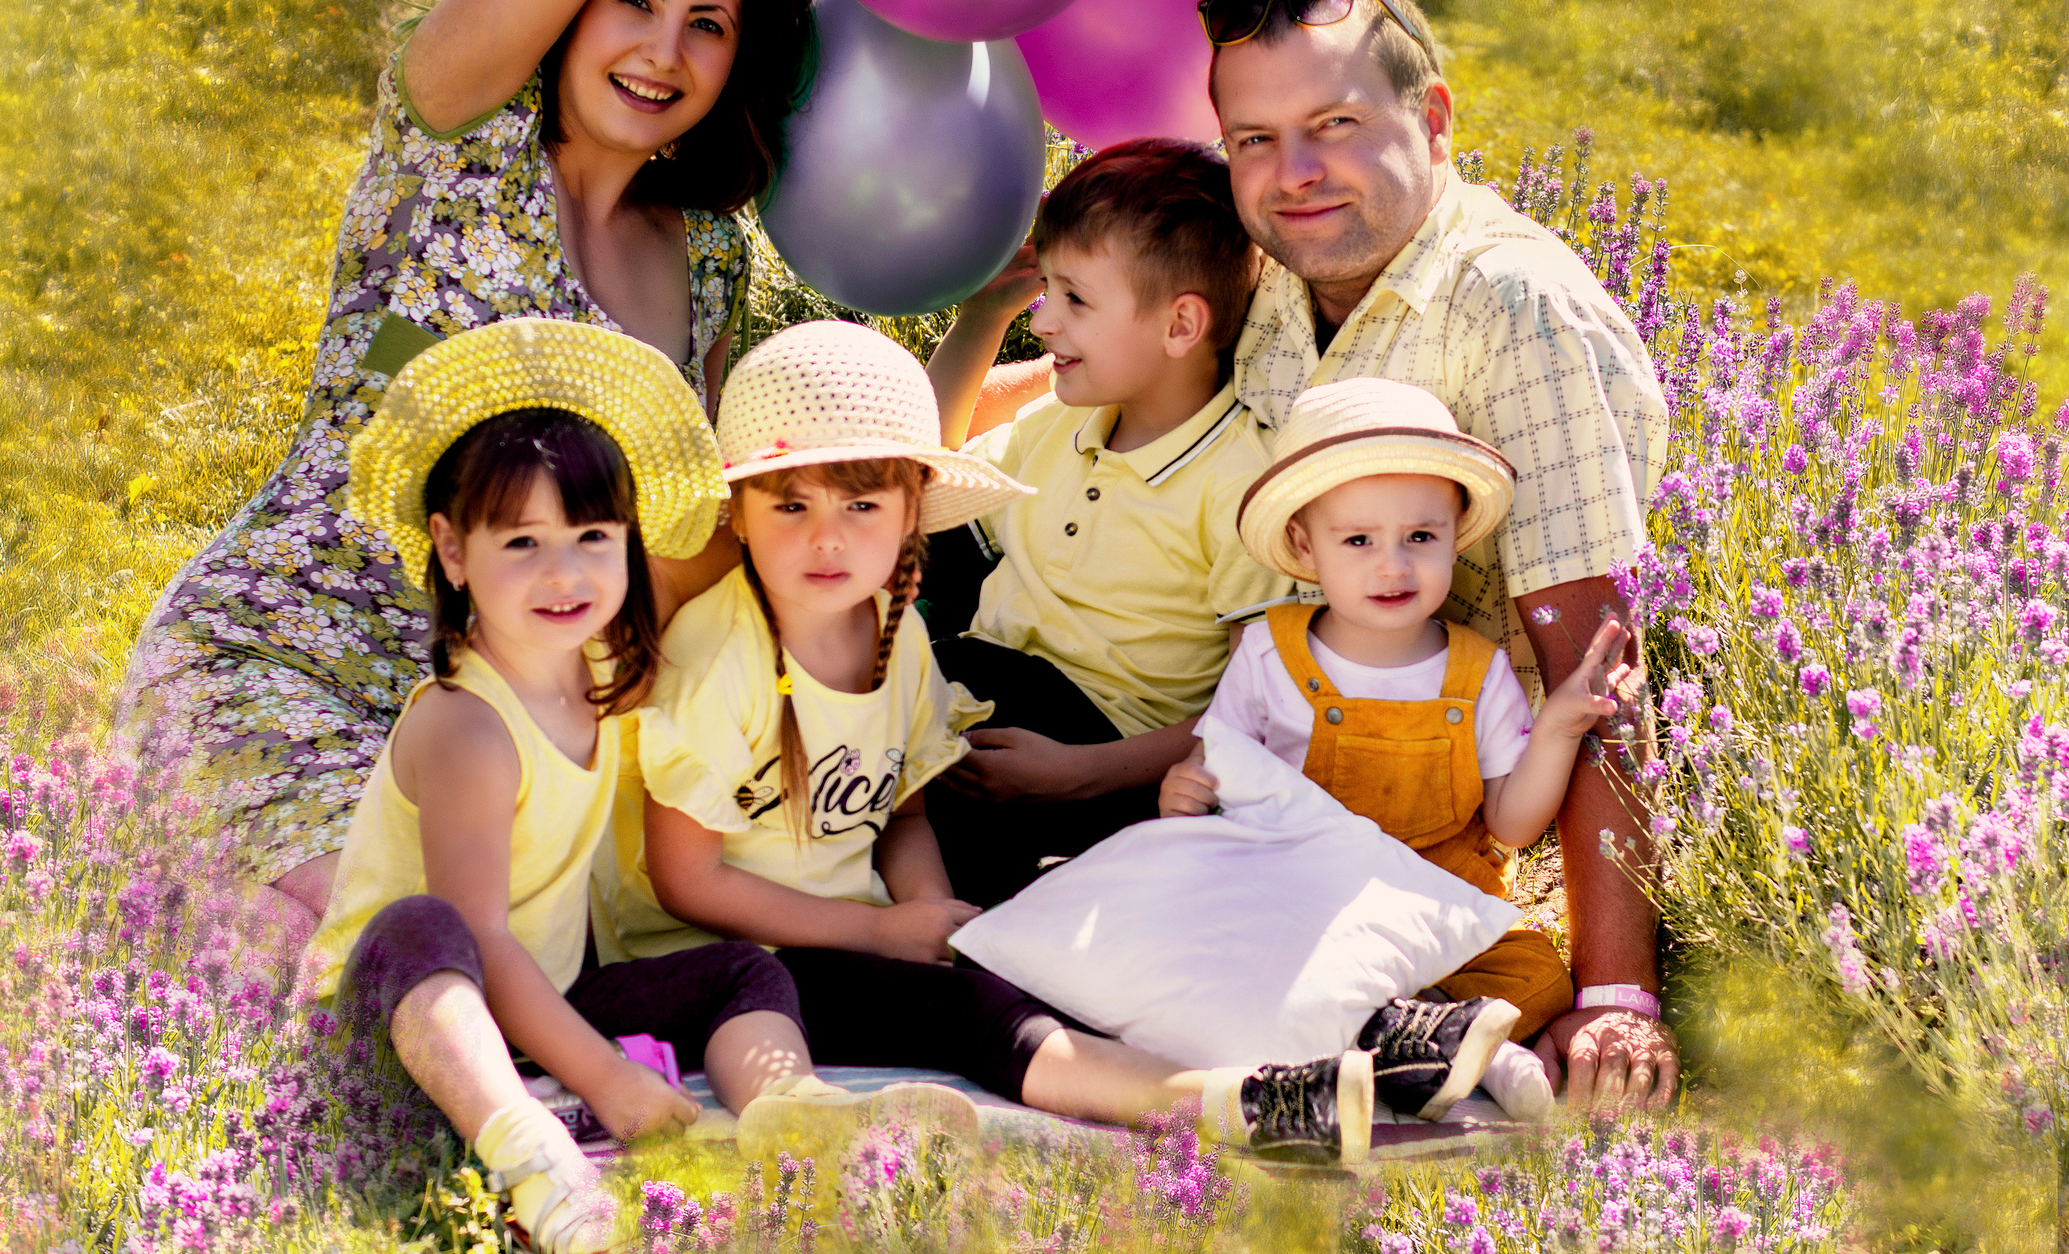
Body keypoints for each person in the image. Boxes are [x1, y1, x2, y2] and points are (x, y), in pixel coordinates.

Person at [116, 0, 968, 933]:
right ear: (571, 3)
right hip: (280, 654)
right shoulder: (457, 134)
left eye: (709, 25)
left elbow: (717, 526)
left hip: (524, 728)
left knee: (490, 972)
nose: (662, 51)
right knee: (382, 959)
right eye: (634, 0)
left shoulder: (706, 257)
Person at [592, 321, 1480, 1164]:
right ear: (738, 514)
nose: (827, 539)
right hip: (734, 962)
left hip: (854, 923)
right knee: (971, 1010)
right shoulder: (719, 659)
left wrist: (934, 917)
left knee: (1066, 920)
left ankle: (1368, 1030)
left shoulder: (892, 628)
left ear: (910, 515)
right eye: (790, 504)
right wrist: (883, 931)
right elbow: (686, 881)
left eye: (862, 504)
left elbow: (903, 813)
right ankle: (1231, 1103)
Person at [1203, 0, 1679, 1110]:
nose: (1293, 172)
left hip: (1451, 815)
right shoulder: (1287, 276)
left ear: (1433, 119)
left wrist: (1616, 993)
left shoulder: (1513, 309)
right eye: (1254, 139)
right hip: (1281, 775)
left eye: (1335, 125)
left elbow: (1597, 664)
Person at [308, 319, 840, 1254]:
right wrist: (606, 1077)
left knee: (743, 969)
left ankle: (791, 1117)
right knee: (424, 925)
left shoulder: (598, 668)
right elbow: (481, 939)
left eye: (594, 535)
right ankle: (533, 1162)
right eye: (522, 542)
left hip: (537, 1006)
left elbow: (737, 557)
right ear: (452, 549)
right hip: (410, 1033)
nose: (564, 573)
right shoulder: (468, 726)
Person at [1159, 377, 1642, 1120]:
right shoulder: (1268, 654)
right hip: (1304, 897)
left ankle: (1408, 1033)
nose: (1393, 565)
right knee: (1205, 942)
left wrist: (1558, 728)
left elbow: (1511, 823)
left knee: (1536, 973)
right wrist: (1186, 793)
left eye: (1420, 537)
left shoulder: (1475, 671)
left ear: (1455, 533)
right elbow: (1216, 770)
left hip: (1436, 903)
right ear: (1304, 545)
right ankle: (1453, 1044)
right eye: (1359, 540)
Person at [915, 139, 1286, 906]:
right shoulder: (1059, 423)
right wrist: (983, 316)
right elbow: (909, 487)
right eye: (1046, 290)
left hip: (1105, 755)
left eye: (1075, 300)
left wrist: (1076, 775)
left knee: (987, 888)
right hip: (969, 691)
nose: (1044, 321)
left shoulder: (1241, 484)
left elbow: (1257, 706)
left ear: (1180, 326)